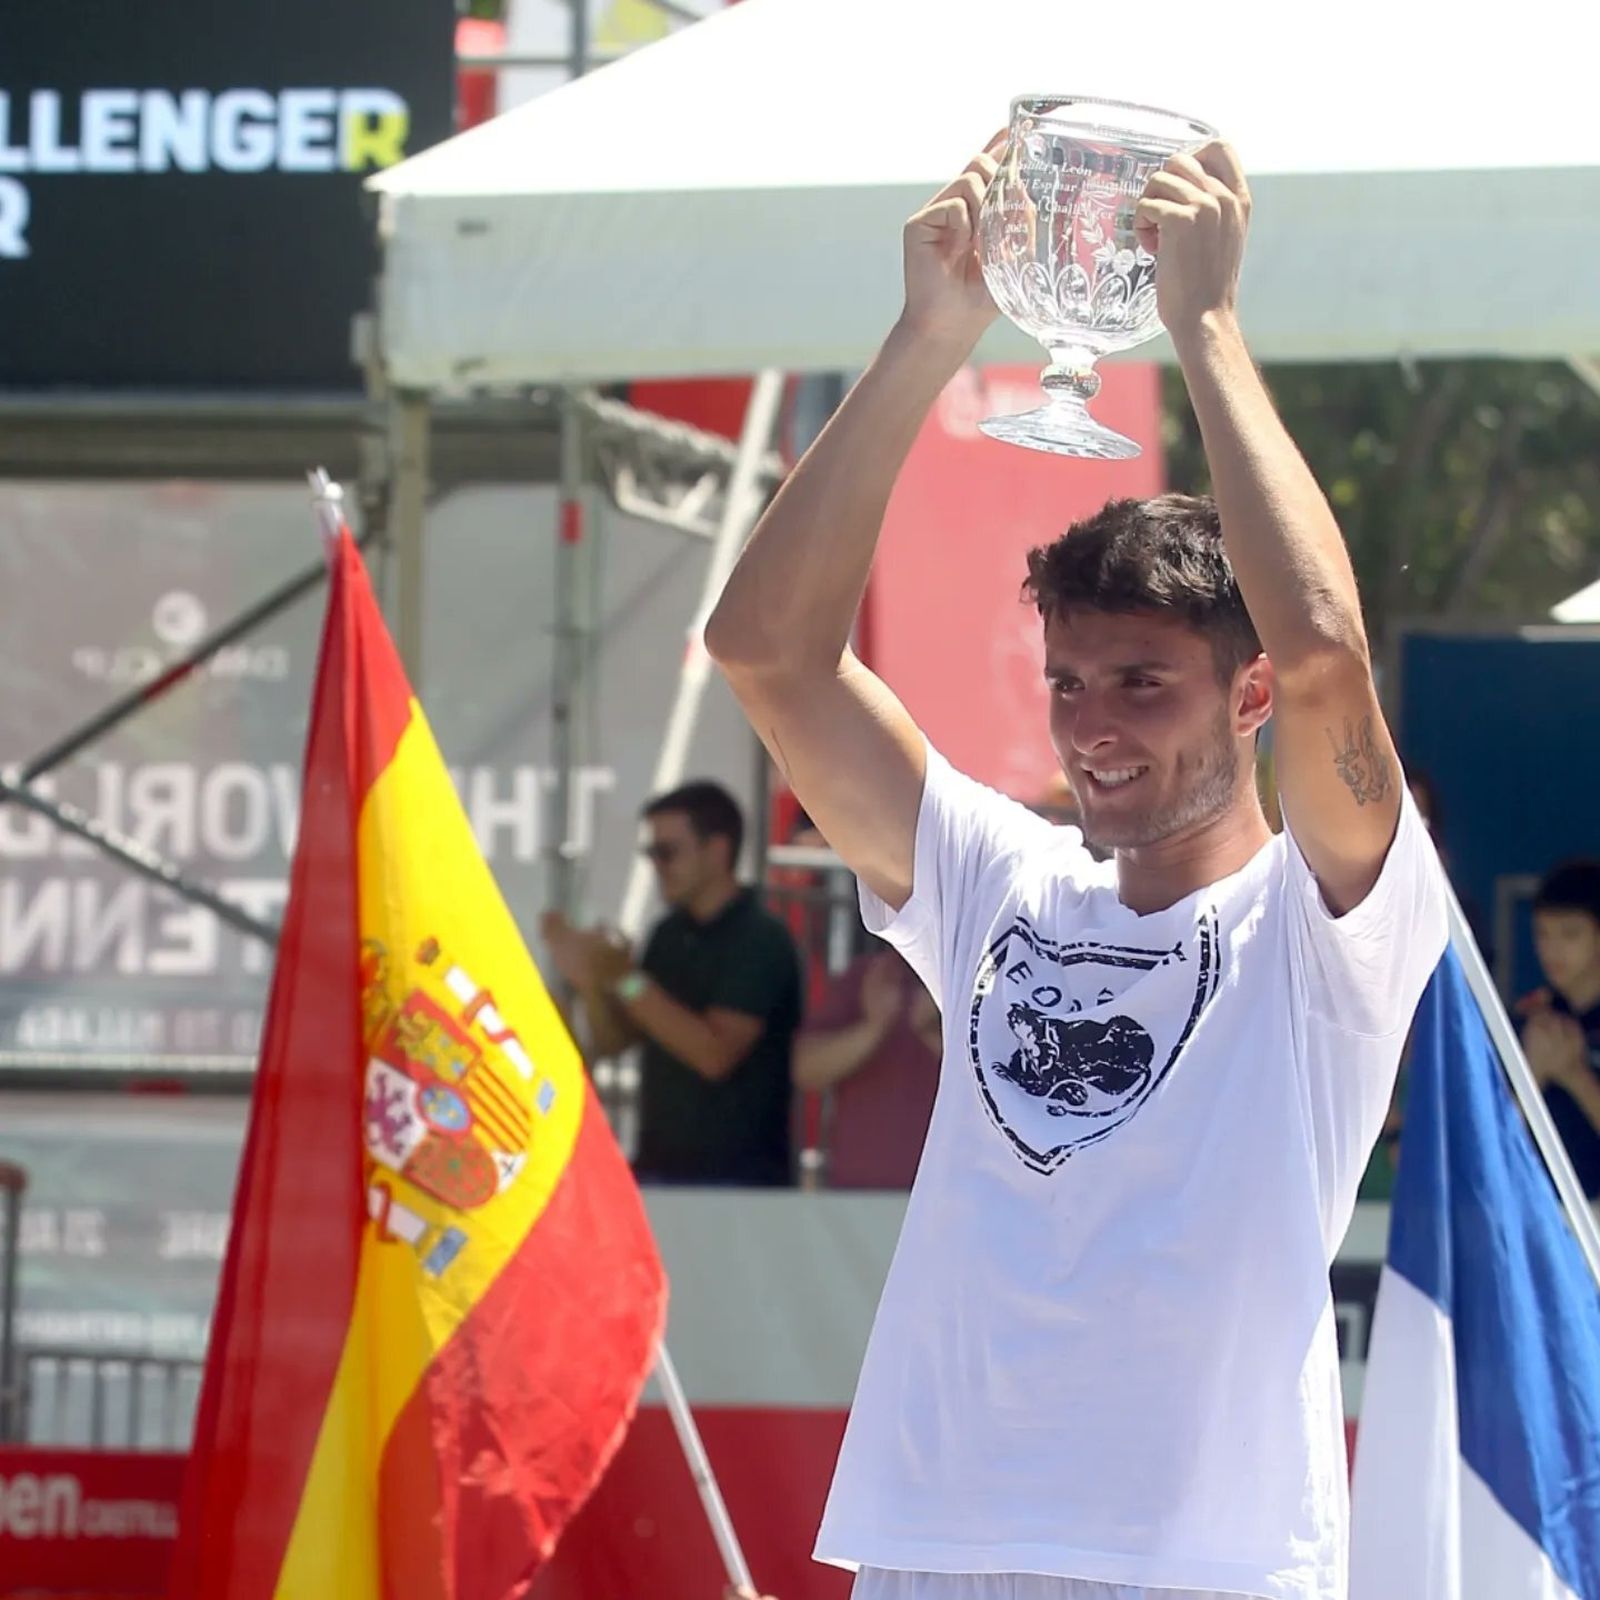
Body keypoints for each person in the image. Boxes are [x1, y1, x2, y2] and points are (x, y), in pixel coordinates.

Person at [703, 136, 1447, 1600]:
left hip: (1206, 1565)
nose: (1091, 730)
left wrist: (1208, 330)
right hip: (935, 1546)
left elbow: (1324, 657)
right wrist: (929, 338)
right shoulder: (1000, 874)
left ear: (1244, 704)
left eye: (1143, 686)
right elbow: (766, 654)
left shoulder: (1331, 929)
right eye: (1069, 684)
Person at [542, 781, 803, 1187]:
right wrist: (595, 983)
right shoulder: (668, 933)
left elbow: (714, 1054)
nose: (657, 865)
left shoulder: (759, 938)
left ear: (717, 851)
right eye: (651, 853)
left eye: (668, 852)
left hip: (740, 1183)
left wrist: (625, 979)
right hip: (660, 1171)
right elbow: (619, 1041)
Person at [795, 947, 942, 1189]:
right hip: (857, 1201)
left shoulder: (985, 984)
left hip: (947, 1202)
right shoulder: (868, 977)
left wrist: (935, 1034)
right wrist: (873, 1029)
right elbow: (806, 1070)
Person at [1520, 859, 1600, 1202]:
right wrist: (1531, 1075)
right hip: (1539, 1218)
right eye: (1542, 933)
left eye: (1570, 934)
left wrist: (1576, 1076)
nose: (1552, 950)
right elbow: (1483, 1145)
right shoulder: (1531, 1021)